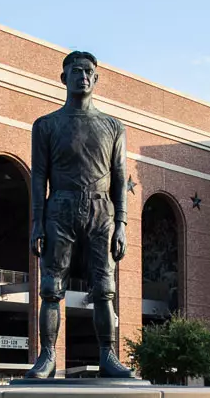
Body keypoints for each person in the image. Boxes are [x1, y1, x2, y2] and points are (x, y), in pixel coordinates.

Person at [24, 50, 135, 379]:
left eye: (88, 71)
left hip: (102, 210)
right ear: (64, 78)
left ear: (96, 79)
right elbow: (38, 177)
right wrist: (37, 222)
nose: (82, 76)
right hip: (60, 206)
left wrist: (122, 225)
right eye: (76, 71)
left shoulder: (113, 126)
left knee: (104, 288)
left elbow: (119, 177)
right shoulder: (46, 125)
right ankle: (47, 356)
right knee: (50, 287)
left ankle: (108, 356)